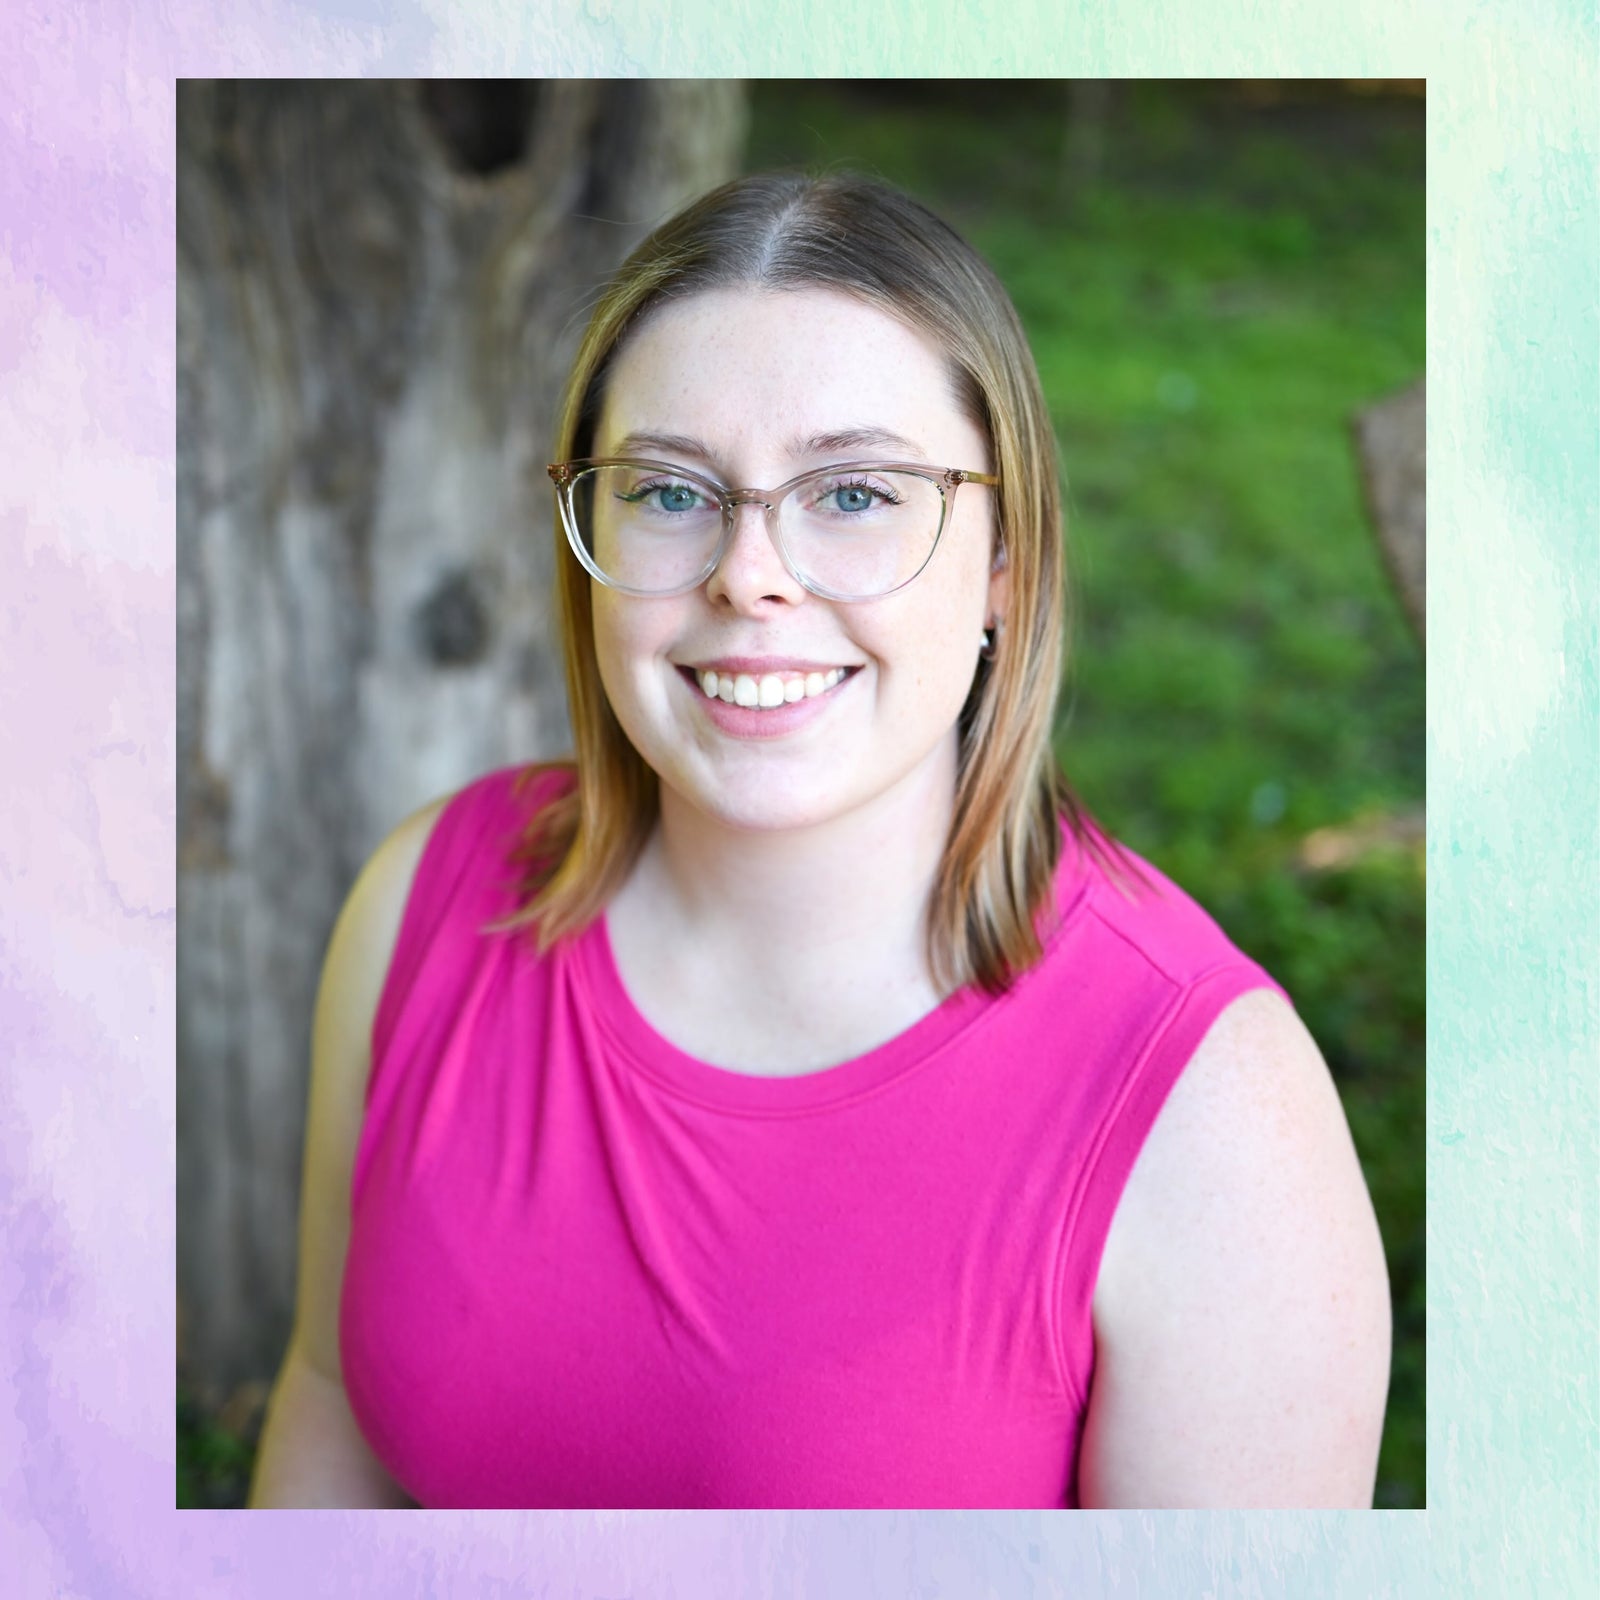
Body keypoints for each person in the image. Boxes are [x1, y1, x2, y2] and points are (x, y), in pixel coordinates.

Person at [249, 172, 1391, 1510]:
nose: (750, 576)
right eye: (671, 492)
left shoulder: (1210, 1111)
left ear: (1006, 562)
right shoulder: (424, 907)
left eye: (853, 494)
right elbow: (331, 1401)